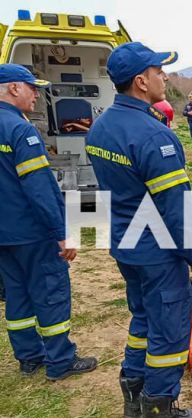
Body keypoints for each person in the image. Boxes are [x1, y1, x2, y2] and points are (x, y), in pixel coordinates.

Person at [86, 42, 192, 418]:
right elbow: (176, 209)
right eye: (160, 71)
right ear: (141, 81)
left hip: (126, 243)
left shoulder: (100, 127)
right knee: (169, 327)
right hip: (157, 250)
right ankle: (158, 412)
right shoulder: (154, 135)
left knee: (142, 319)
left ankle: (133, 394)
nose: (166, 77)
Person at [0, 64, 98, 381]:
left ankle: (29, 357)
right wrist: (60, 233)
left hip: (4, 235)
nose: (36, 96)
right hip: (32, 231)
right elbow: (39, 187)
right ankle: (60, 360)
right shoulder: (21, 130)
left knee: (17, 293)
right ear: (13, 88)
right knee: (50, 291)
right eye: (32, 88)